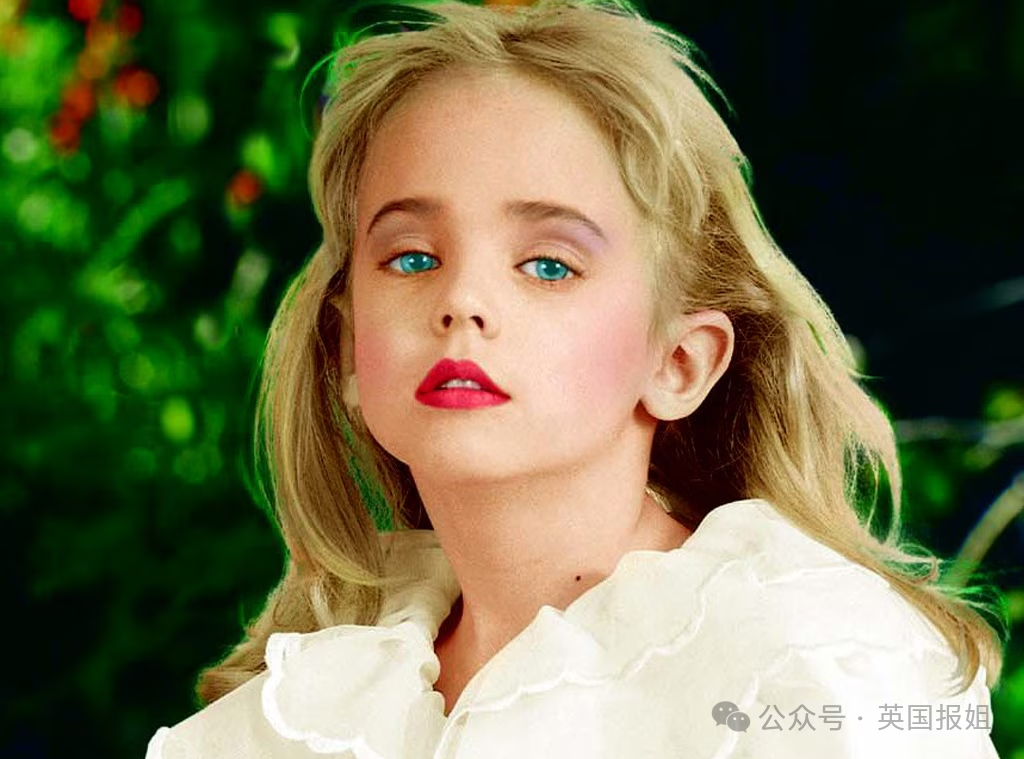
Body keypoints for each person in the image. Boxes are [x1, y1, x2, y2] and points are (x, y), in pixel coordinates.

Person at [145, 1, 1004, 756]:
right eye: (411, 256)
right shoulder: (282, 724)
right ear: (348, 353)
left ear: (679, 361)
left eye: (549, 264)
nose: (461, 300)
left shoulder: (815, 666)